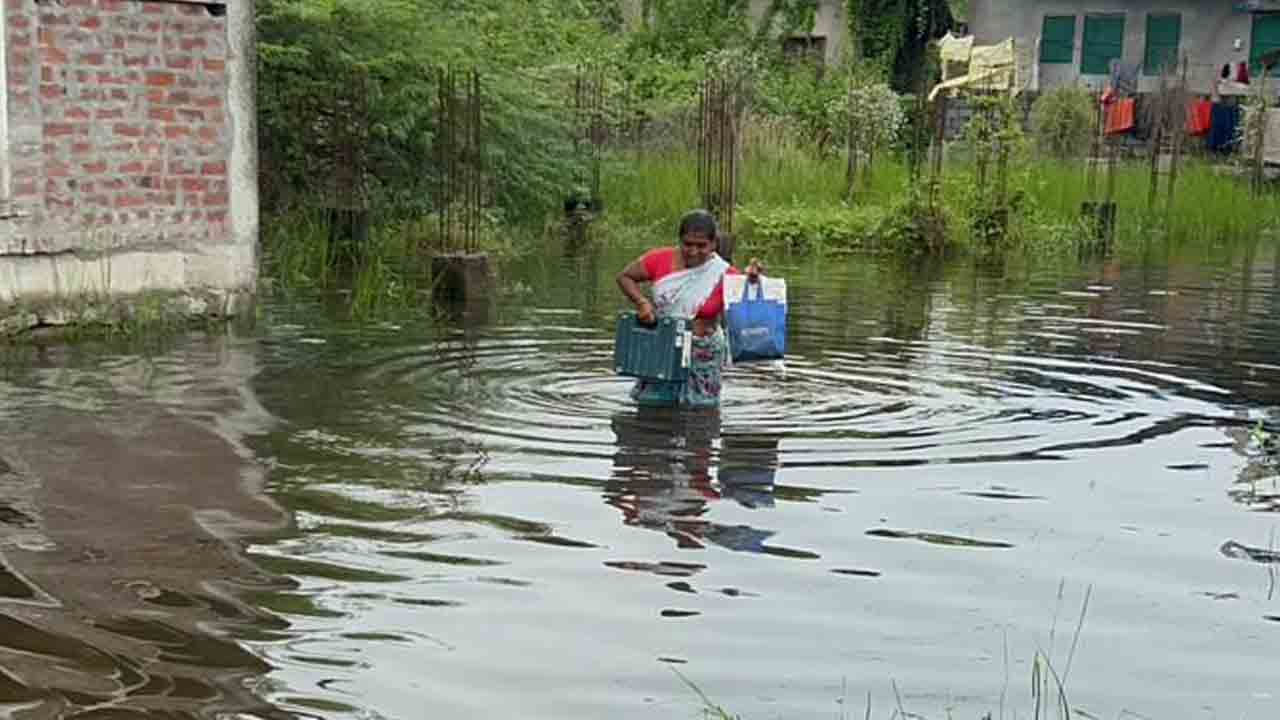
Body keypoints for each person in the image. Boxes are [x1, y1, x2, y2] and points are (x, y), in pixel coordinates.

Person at [615, 209, 763, 408]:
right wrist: (642, 302)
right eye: (687, 244)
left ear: (713, 244)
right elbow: (625, 277)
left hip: (703, 352)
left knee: (702, 411)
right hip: (663, 346)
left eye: (701, 245)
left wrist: (752, 282)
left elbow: (750, 314)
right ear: (679, 240)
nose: (693, 251)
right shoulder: (660, 260)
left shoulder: (725, 274)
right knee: (652, 406)